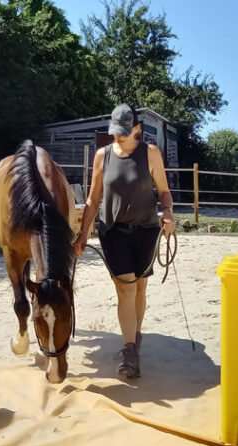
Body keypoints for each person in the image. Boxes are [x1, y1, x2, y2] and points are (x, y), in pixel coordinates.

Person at [73, 104, 175, 379]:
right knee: (126, 289)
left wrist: (167, 213)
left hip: (146, 231)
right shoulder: (101, 156)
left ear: (136, 130)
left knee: (140, 287)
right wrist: (83, 234)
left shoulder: (151, 154)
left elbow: (164, 192)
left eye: (122, 133)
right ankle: (129, 350)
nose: (117, 137)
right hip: (113, 231)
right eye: (114, 132)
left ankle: (135, 336)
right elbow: (94, 199)